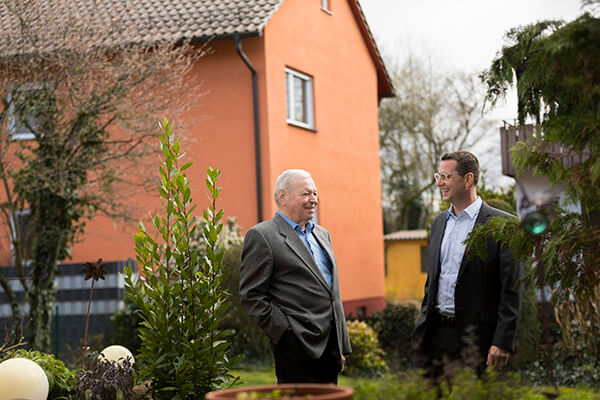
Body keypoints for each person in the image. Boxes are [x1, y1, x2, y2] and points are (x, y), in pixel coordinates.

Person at [413, 151, 523, 381]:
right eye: (438, 176)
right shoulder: (438, 223)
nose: (439, 183)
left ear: (468, 179)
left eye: (446, 176)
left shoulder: (504, 225)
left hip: (478, 341)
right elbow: (432, 281)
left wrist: (502, 341)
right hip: (435, 336)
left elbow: (511, 290)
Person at [239, 169, 351, 384]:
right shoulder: (263, 236)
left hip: (330, 347)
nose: (314, 200)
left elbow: (331, 292)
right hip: (295, 347)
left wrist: (340, 344)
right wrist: (285, 330)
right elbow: (251, 295)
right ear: (283, 197)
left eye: (315, 194)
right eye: (306, 194)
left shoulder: (322, 234)